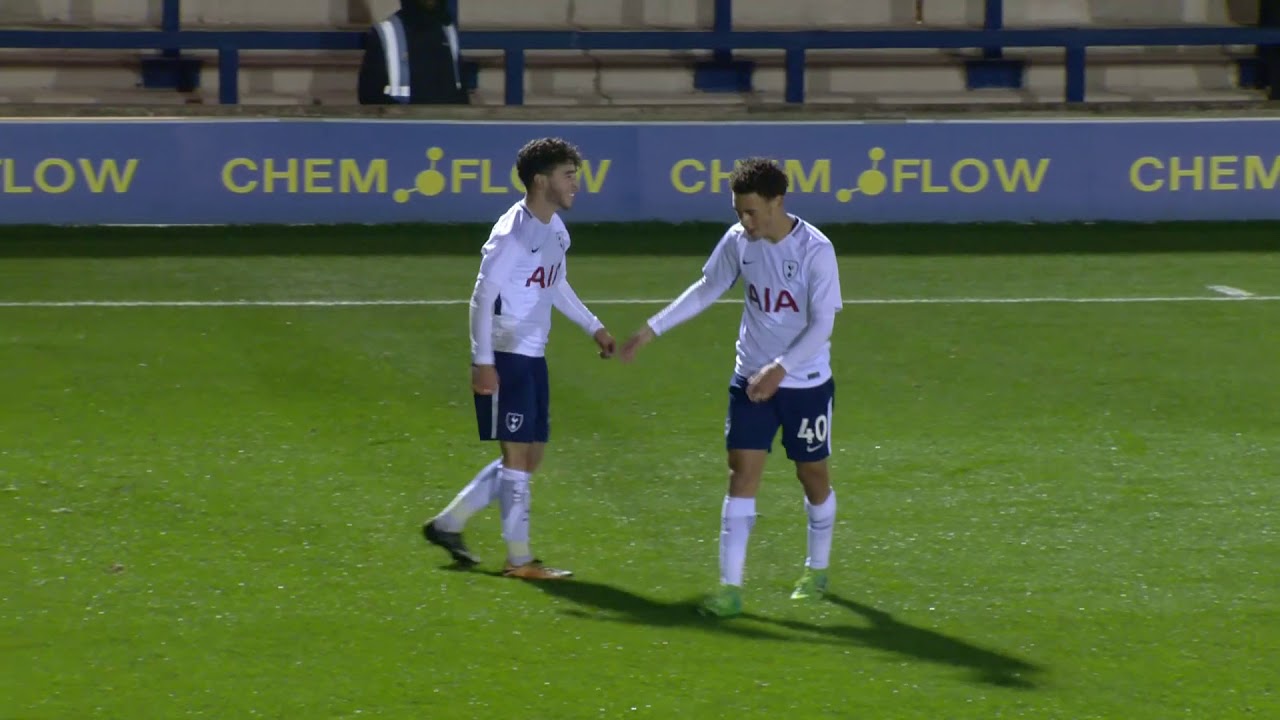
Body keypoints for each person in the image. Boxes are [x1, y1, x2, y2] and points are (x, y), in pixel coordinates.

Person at [619, 158, 843, 617]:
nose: (745, 221)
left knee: (812, 475)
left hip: (805, 384)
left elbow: (823, 324)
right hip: (749, 379)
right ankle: (729, 588)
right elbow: (707, 287)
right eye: (740, 211)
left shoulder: (816, 250)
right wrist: (651, 330)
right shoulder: (740, 241)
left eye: (753, 211)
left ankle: (816, 569)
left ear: (778, 202)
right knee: (741, 472)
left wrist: (781, 367)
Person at [423, 137, 616, 580]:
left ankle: (448, 524)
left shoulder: (555, 231)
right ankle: (519, 560)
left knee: (531, 456)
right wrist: (482, 360)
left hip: (533, 354)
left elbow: (556, 285)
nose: (576, 186)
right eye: (568, 176)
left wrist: (594, 326)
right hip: (506, 355)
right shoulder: (512, 231)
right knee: (516, 458)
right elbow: (482, 294)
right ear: (540, 180)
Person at [357, 0, 469, 105]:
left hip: (448, 124)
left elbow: (461, 95)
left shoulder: (448, 31)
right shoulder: (386, 33)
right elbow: (369, 98)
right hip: (401, 124)